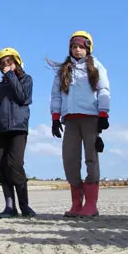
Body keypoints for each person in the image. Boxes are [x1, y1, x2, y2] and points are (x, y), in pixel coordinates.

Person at [50, 31, 110, 218]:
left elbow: (103, 89)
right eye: (74, 47)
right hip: (70, 120)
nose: (77, 50)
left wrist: (103, 114)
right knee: (70, 160)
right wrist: (55, 118)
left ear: (88, 48)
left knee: (91, 158)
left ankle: (91, 204)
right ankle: (77, 202)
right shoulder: (63, 70)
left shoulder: (96, 67)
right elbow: (56, 95)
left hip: (91, 117)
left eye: (81, 47)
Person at [0, 47, 35, 218]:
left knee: (15, 166)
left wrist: (11, 76)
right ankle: (9, 207)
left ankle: (25, 206)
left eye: (9, 62)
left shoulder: (26, 80)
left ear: (17, 62)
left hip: (18, 129)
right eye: (2, 63)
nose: (6, 66)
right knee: (1, 167)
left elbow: (22, 97)